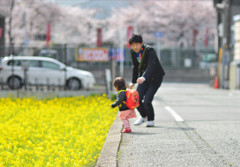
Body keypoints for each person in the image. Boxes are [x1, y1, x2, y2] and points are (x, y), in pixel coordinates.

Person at [128, 34, 165, 127]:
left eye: (137, 44)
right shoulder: (133, 52)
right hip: (143, 79)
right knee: (137, 99)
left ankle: (150, 119)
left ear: (141, 43)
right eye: (132, 45)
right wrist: (133, 81)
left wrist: (143, 77)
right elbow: (136, 67)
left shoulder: (149, 50)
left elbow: (151, 66)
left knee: (147, 100)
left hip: (155, 78)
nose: (135, 47)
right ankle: (143, 116)